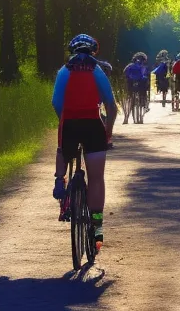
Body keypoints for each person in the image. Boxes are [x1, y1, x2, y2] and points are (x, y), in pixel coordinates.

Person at [52, 34, 117, 252]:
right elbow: (110, 103)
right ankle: (97, 229)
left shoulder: (63, 71)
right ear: (92, 52)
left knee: (63, 148)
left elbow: (56, 102)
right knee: (96, 178)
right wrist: (108, 131)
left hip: (70, 124)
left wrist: (64, 118)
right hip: (93, 126)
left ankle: (59, 180)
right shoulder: (97, 71)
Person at [123, 52, 150, 123]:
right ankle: (145, 104)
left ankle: (126, 119)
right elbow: (144, 75)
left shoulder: (129, 65)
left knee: (129, 99)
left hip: (131, 84)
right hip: (140, 84)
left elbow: (125, 73)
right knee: (143, 94)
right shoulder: (143, 66)